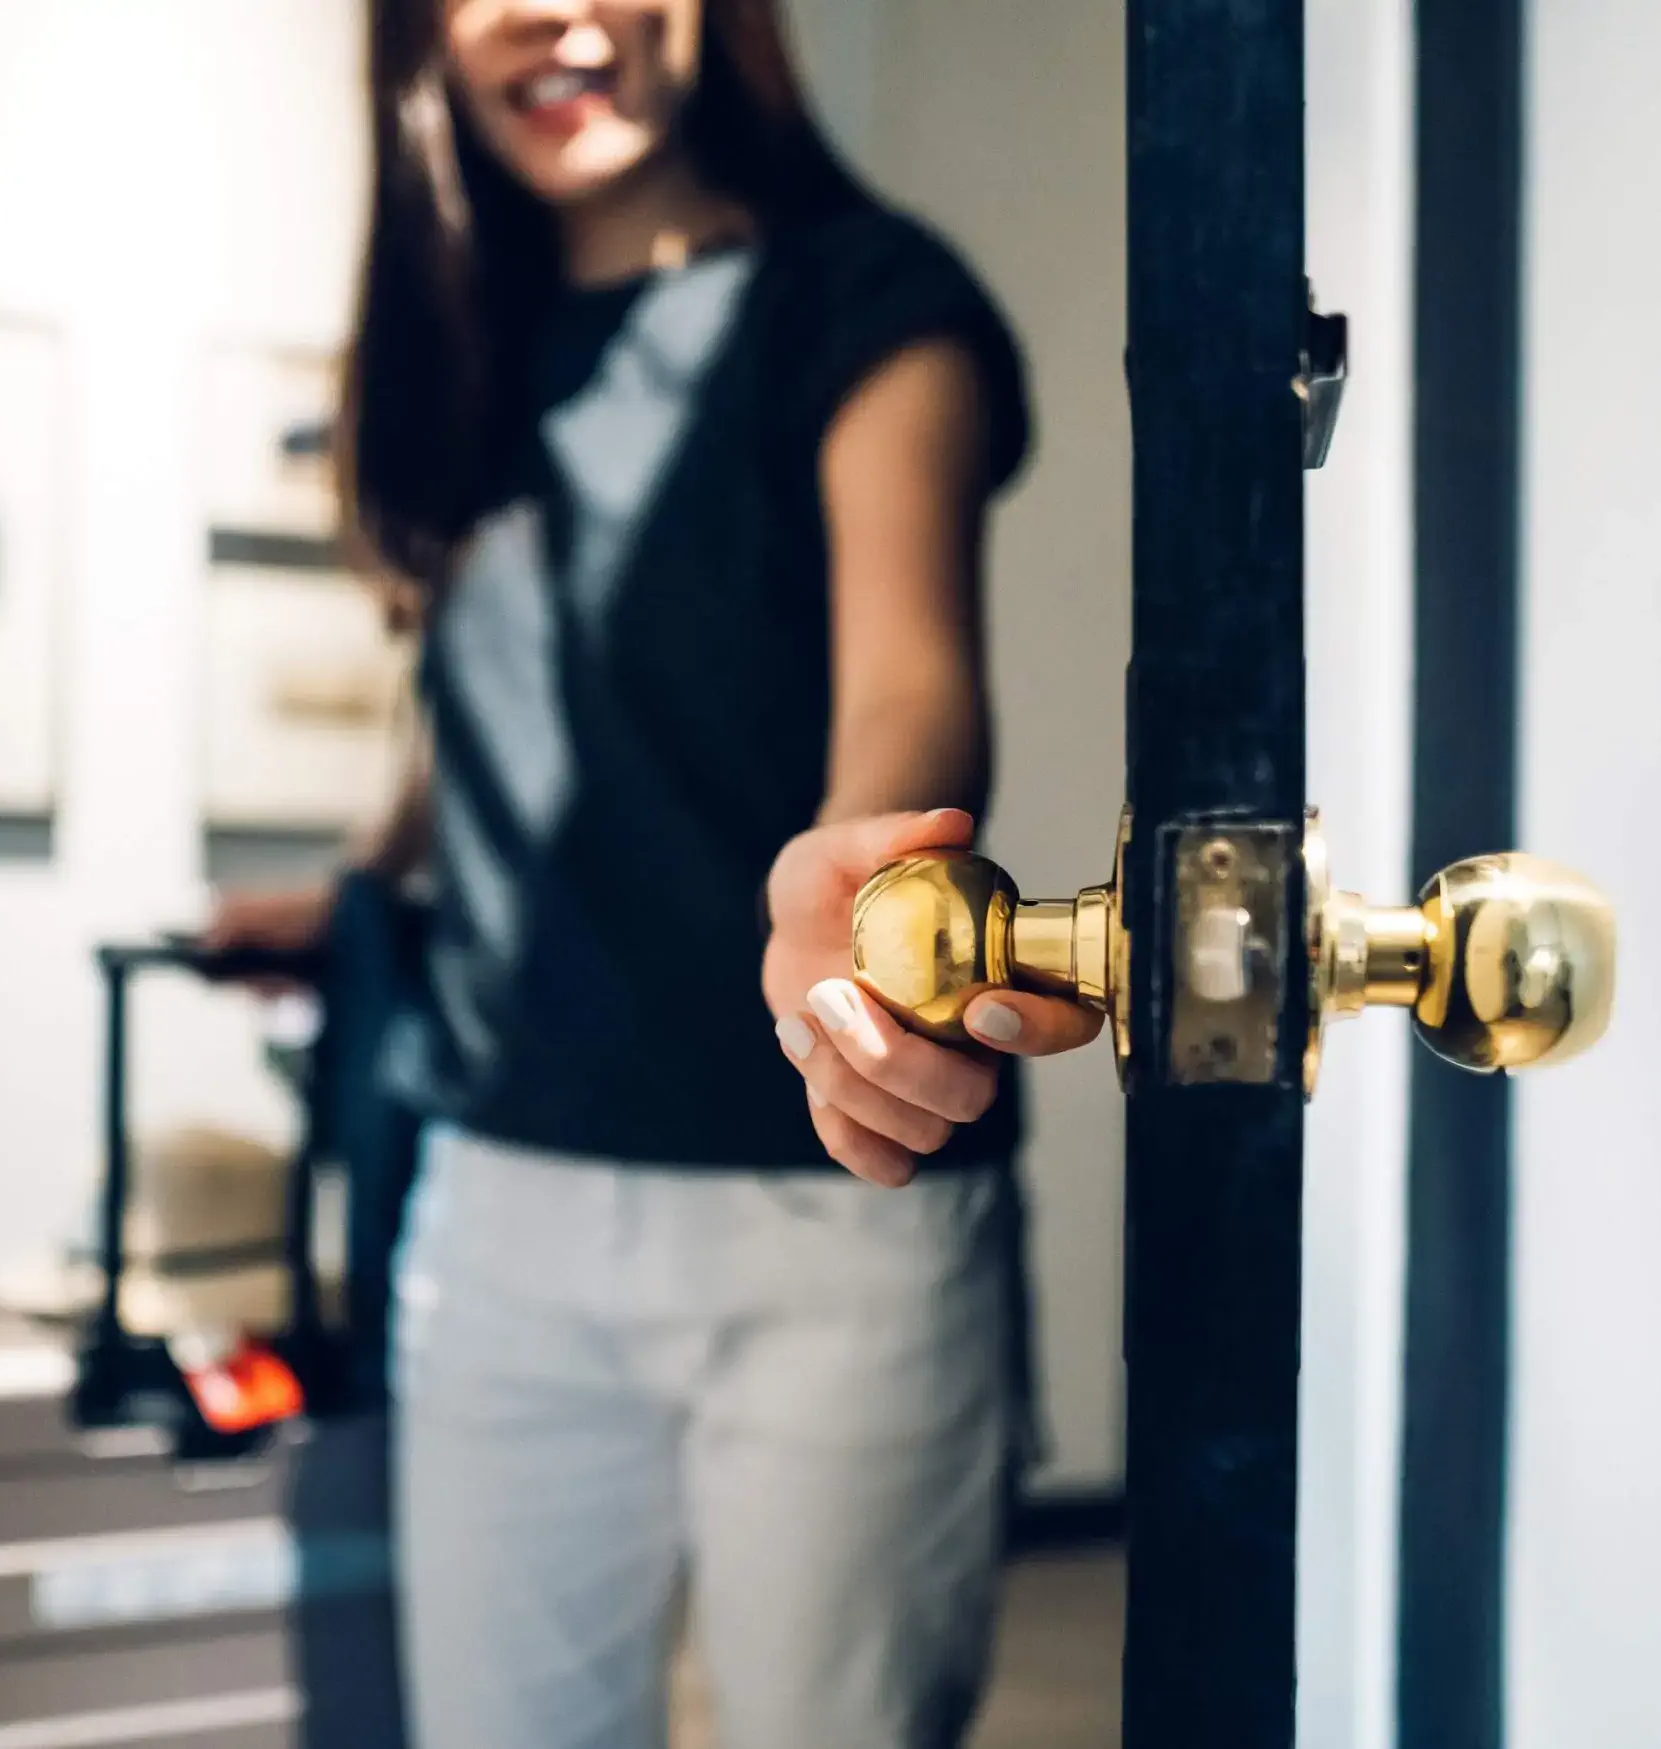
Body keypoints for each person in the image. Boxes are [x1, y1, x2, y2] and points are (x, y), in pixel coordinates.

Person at [206, 2, 1103, 1744]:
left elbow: (911, 684)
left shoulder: (869, 303)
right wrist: (359, 895)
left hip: (830, 1206)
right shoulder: (467, 340)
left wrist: (854, 896)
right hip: (506, 1210)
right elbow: (501, 707)